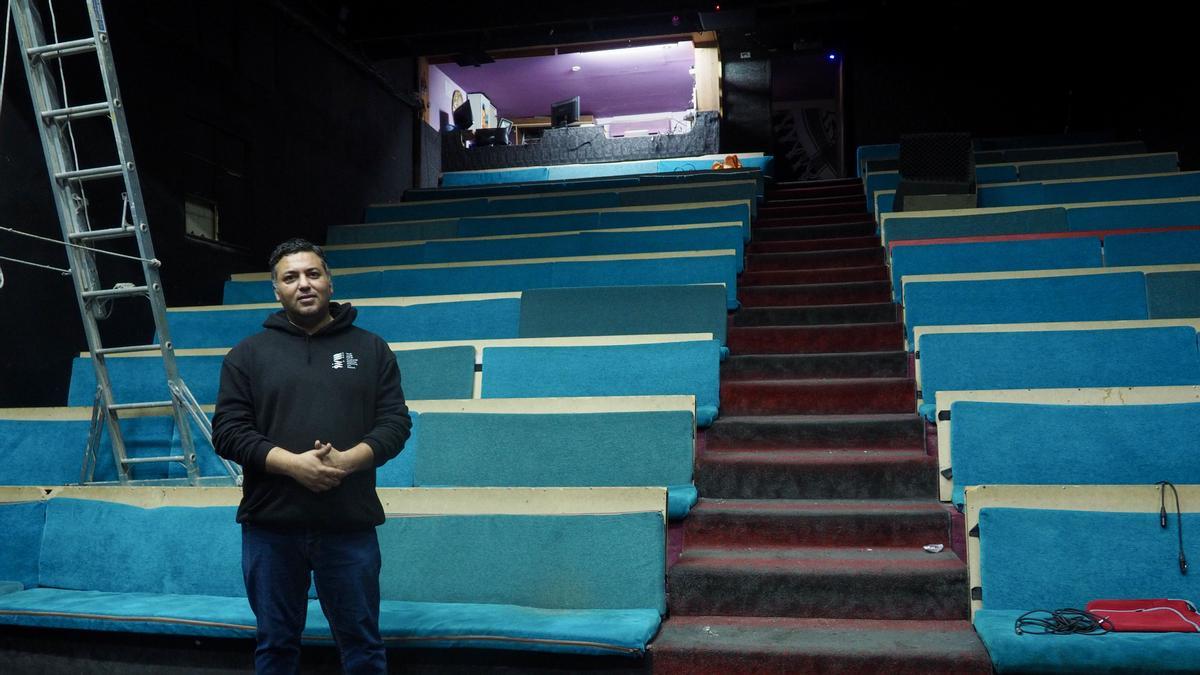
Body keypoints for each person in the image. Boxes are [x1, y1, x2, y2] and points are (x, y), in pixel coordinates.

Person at [212, 238, 411, 674]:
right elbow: (227, 433)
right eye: (291, 277)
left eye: (312, 274)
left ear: (328, 281)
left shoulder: (371, 348)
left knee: (362, 646)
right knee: (276, 647)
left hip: (348, 527)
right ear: (276, 290)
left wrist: (347, 461)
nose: (303, 284)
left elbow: (396, 425)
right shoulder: (247, 355)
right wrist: (293, 465)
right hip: (271, 529)